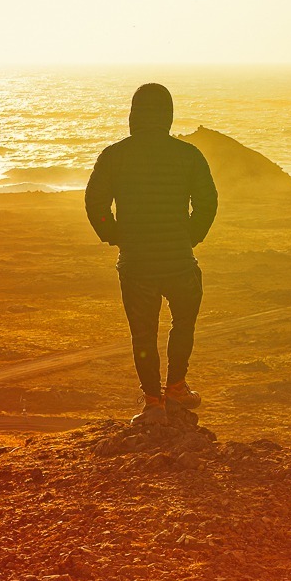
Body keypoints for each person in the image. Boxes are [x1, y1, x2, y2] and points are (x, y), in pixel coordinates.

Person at [84, 83, 218, 419]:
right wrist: (190, 237)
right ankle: (176, 387)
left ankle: (152, 401)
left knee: (143, 334)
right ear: (168, 116)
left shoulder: (114, 155)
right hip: (179, 261)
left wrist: (114, 234)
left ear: (133, 115)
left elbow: (95, 203)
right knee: (183, 323)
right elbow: (207, 204)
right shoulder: (189, 156)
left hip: (136, 264)